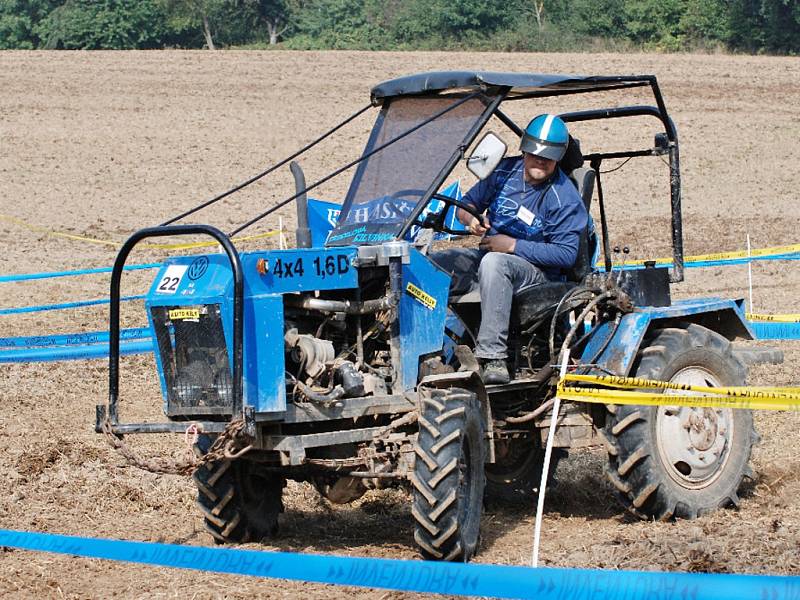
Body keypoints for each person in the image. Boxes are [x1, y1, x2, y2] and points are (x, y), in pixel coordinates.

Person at [432, 114, 589, 385]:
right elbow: (466, 204)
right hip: (488, 256)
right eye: (535, 154)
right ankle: (426, 349)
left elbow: (566, 254)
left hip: (539, 274)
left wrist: (513, 246)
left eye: (548, 157)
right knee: (432, 263)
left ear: (558, 158)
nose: (540, 161)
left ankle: (494, 356)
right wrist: (471, 220)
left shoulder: (564, 198)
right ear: (524, 149)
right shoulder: (504, 172)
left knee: (496, 262)